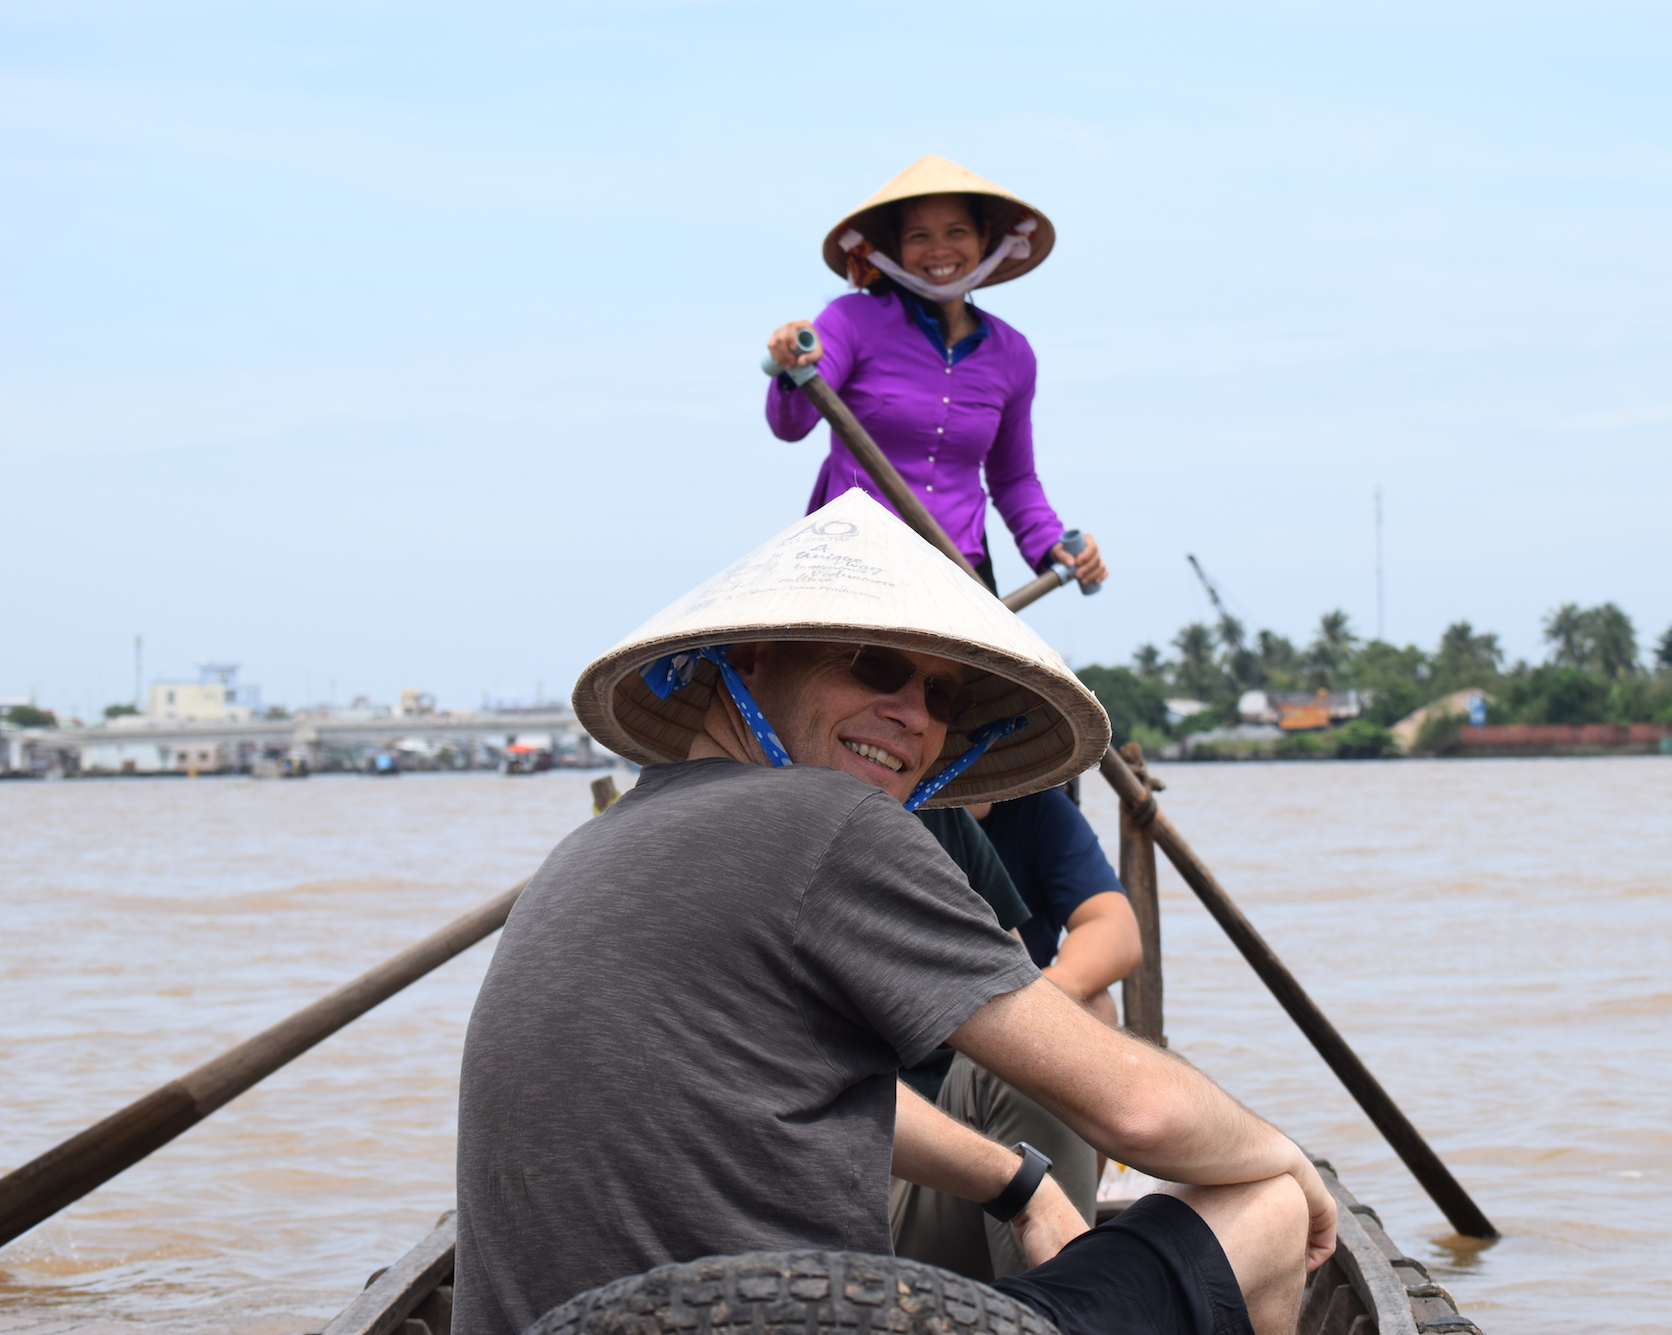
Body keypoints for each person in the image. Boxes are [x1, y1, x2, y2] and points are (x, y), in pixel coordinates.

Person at [456, 490, 1334, 1335]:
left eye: (941, 697)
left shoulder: (588, 851)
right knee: (1265, 1206)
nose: (911, 716)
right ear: (759, 652)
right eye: (873, 665)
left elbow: (759, 1092)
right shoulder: (829, 824)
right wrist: (1290, 1158)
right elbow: (1140, 1114)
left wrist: (1015, 1183)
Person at [764, 155, 1108, 594]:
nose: (939, 249)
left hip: (958, 572)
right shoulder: (850, 319)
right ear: (895, 247)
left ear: (985, 238)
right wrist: (793, 360)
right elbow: (790, 423)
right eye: (918, 236)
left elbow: (1013, 478)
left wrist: (1052, 544)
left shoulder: (1013, 353)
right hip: (848, 565)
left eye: (957, 232)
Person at [893, 785, 1144, 1280]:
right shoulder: (892, 815)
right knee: (1040, 1044)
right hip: (896, 1145)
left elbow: (1115, 927)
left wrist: (1037, 1001)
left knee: (1082, 1014)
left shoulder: (1025, 812)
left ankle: (1063, 1243)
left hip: (987, 1087)